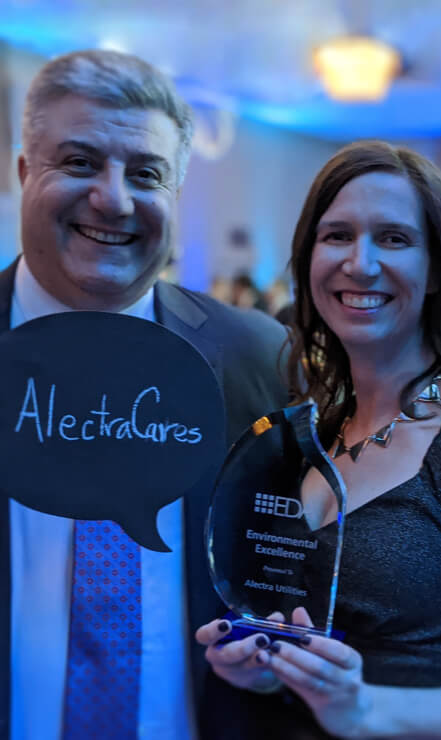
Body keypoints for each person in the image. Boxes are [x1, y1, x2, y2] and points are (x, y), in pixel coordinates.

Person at [197, 141, 441, 739]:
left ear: (436, 269)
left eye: (393, 238)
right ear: (308, 259)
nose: (360, 263)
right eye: (337, 236)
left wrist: (367, 712)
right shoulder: (316, 432)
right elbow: (324, 648)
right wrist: (267, 665)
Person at [0, 49, 287, 740]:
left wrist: (281, 644)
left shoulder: (258, 358)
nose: (114, 198)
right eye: (79, 162)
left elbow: (287, 566)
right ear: (22, 173)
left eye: (145, 174)